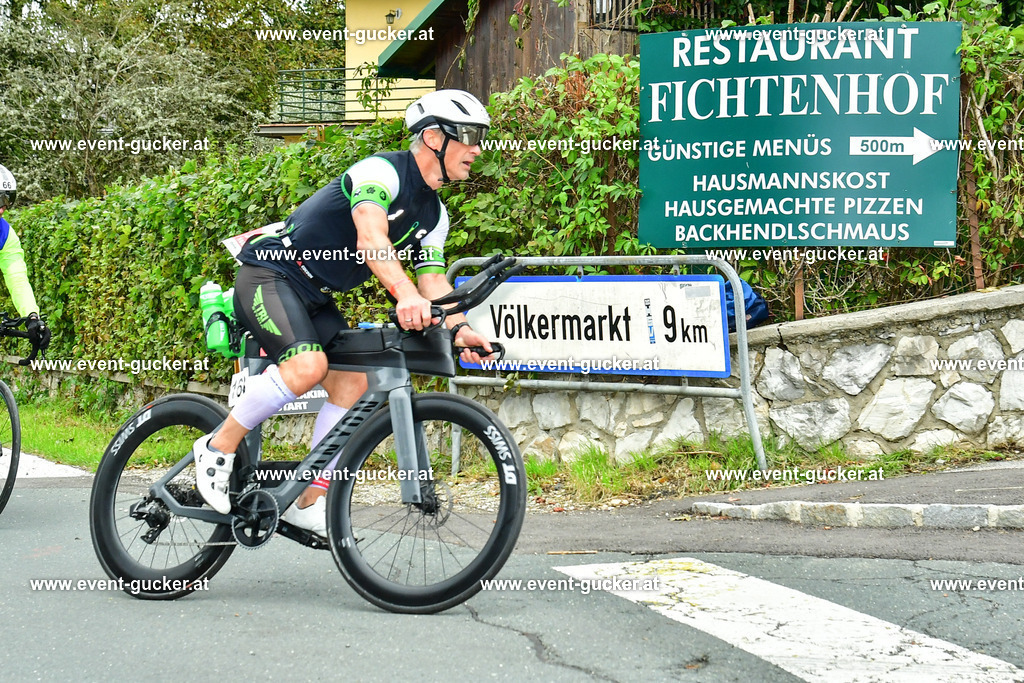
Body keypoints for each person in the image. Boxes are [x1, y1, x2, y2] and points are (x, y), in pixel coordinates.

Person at [192, 90, 496, 535]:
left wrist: (461, 327)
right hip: (271, 273)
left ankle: (307, 499)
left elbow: (433, 281)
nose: (477, 149)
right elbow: (370, 238)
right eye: (469, 136)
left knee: (352, 383)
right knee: (307, 366)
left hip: (314, 295)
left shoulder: (435, 214)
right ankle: (217, 447)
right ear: (433, 137)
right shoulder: (380, 172)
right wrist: (403, 294)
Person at [0, 165, 51, 351]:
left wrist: (32, 317)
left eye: (6, 201)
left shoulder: (5, 234)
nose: (2, 209)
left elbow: (17, 278)